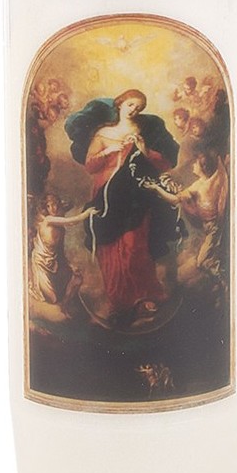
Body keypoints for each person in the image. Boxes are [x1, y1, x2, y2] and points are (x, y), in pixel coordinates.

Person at [64, 90, 181, 323]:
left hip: (134, 194)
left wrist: (143, 149)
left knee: (136, 243)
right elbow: (90, 165)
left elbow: (162, 164)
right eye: (130, 104)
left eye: (138, 107)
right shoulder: (103, 134)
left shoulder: (142, 133)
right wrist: (108, 151)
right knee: (110, 246)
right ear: (119, 105)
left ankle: (145, 294)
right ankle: (119, 300)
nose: (133, 110)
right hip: (108, 193)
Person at [148, 151, 229, 275]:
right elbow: (178, 198)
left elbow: (175, 200)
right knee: (204, 260)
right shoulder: (199, 184)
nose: (193, 166)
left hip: (215, 229)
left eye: (196, 163)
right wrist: (160, 188)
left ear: (203, 167)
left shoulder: (208, 185)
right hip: (207, 229)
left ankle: (225, 279)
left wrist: (156, 188)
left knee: (203, 261)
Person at [28, 193, 86, 309]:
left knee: (77, 278)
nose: (53, 208)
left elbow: (60, 250)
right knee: (52, 299)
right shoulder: (48, 220)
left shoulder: (59, 227)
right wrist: (87, 213)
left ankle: (65, 305)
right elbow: (72, 221)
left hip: (53, 262)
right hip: (41, 263)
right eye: (49, 206)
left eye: (55, 204)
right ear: (45, 208)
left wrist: (70, 265)